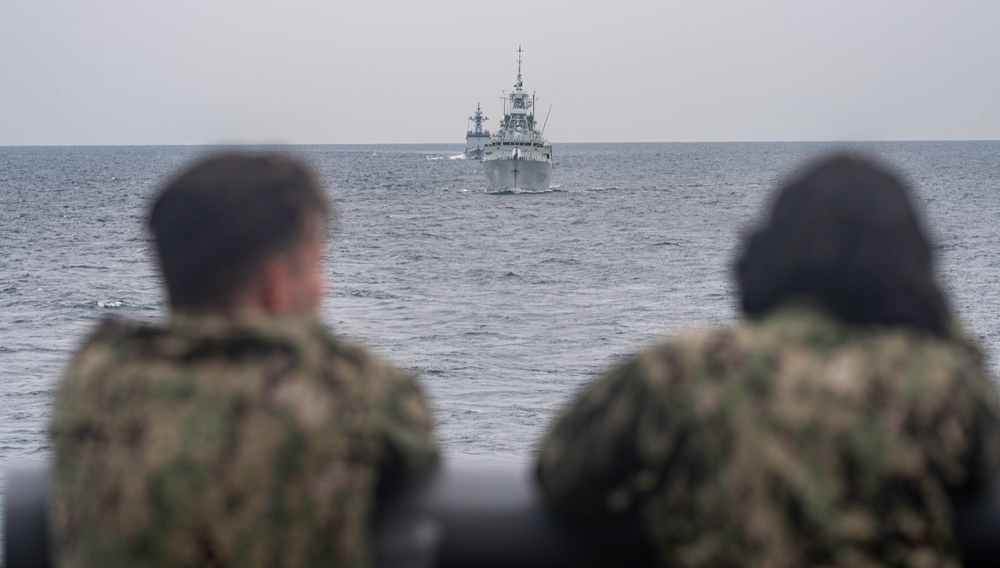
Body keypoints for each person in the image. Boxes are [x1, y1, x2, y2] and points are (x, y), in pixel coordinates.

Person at [537, 153, 1000, 567]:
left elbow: (562, 475)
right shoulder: (941, 383)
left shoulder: (682, 369)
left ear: (769, 251)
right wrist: (939, 324)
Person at [48, 152, 438, 567]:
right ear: (277, 285)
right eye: (315, 266)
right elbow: (416, 439)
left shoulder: (93, 380)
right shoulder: (352, 390)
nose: (325, 285)